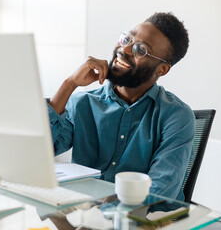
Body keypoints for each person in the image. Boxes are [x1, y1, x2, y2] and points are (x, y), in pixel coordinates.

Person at [47, 12, 195, 201]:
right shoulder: (83, 103)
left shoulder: (177, 117)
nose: (124, 50)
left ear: (162, 69)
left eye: (140, 50)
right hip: (85, 215)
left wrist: (101, 213)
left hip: (148, 221)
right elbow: (39, 153)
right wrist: (69, 84)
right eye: (127, 39)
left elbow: (159, 191)